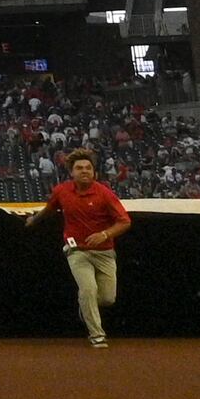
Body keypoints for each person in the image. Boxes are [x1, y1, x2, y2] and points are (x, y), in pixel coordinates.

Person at [44, 147, 132, 348]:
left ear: (95, 173)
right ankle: (97, 335)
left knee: (107, 298)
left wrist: (104, 234)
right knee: (88, 289)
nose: (84, 171)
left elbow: (125, 221)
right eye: (79, 168)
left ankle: (85, 307)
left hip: (105, 252)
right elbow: (49, 208)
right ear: (71, 172)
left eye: (88, 168)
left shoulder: (105, 194)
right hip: (76, 251)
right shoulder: (61, 191)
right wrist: (34, 219)